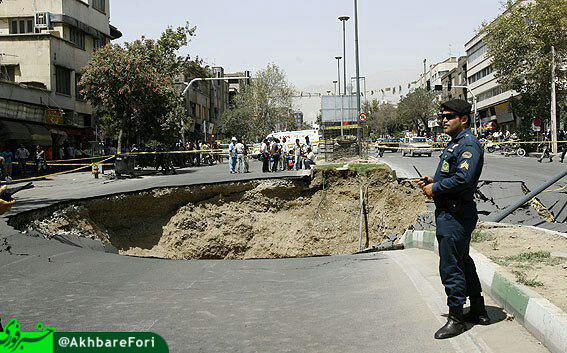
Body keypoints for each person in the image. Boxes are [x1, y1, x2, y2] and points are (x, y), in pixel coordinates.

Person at [417, 99, 489, 340]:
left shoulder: (468, 145)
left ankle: (456, 318)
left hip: (455, 214)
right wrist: (432, 181)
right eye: (442, 117)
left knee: (450, 265)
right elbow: (452, 174)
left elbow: (463, 180)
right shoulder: (455, 144)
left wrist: (435, 189)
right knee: (462, 260)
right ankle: (478, 310)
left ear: (464, 119)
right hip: (452, 211)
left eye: (449, 116)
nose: (443, 121)